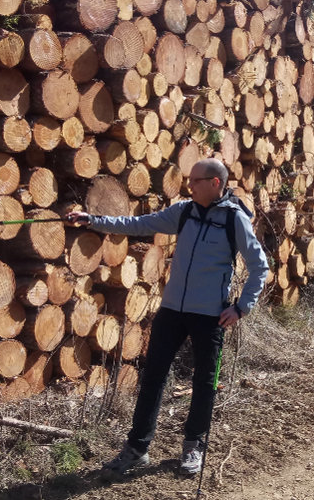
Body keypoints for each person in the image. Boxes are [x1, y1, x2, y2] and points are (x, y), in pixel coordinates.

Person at [67, 158, 269, 475]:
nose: (189, 185)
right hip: (172, 311)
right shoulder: (184, 212)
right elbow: (137, 225)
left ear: (215, 183)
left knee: (204, 384)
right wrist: (92, 220)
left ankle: (193, 448)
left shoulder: (234, 220)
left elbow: (260, 266)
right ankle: (137, 448)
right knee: (152, 379)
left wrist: (241, 307)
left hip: (210, 316)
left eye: (195, 180)